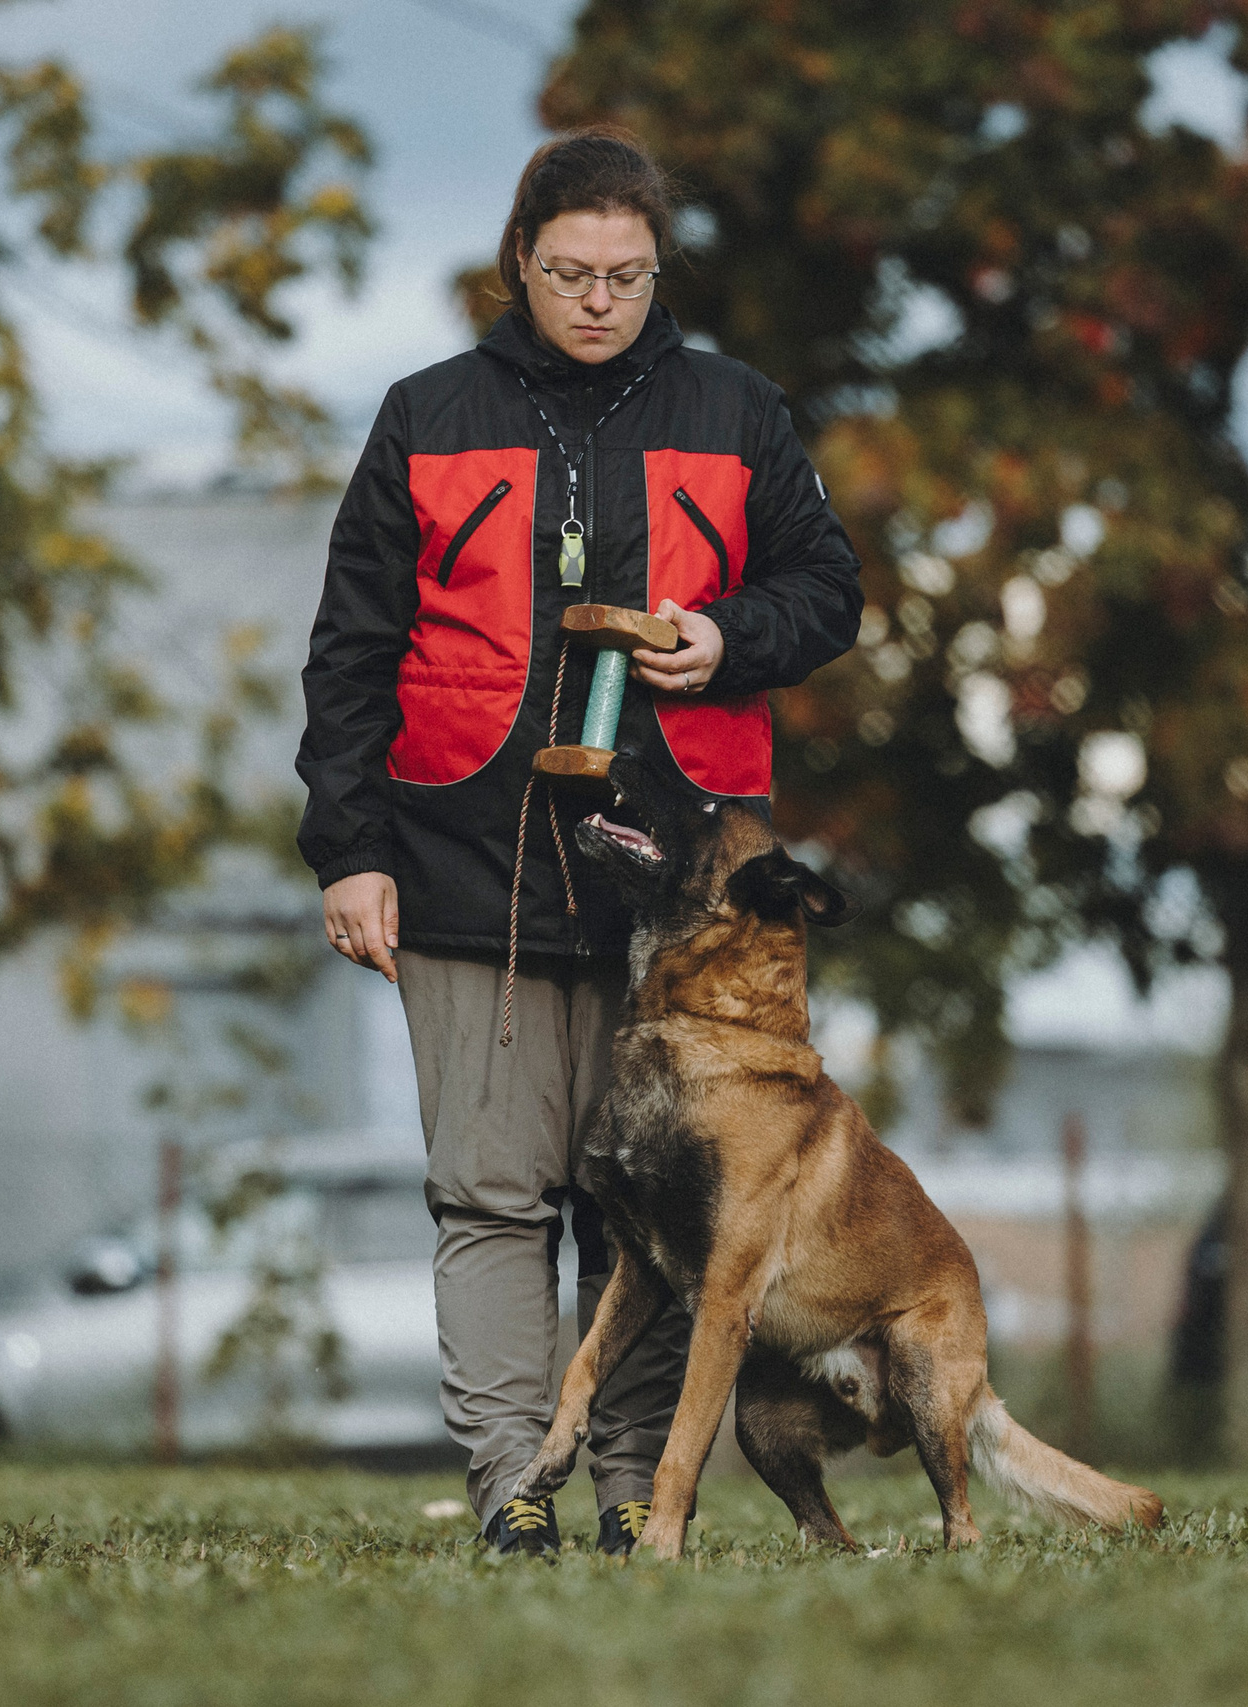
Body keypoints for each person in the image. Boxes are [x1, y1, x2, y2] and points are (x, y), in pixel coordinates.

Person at [296, 128, 863, 1556]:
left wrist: (730, 637)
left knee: (647, 1216)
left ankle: (629, 1494)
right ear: (520, 263)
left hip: (677, 906)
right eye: (572, 272)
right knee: (491, 1198)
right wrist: (347, 848)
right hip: (458, 875)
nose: (600, 297)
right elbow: (351, 656)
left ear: (655, 270)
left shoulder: (737, 412)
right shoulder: (424, 415)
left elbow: (829, 591)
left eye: (627, 273)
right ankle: (509, 1490)